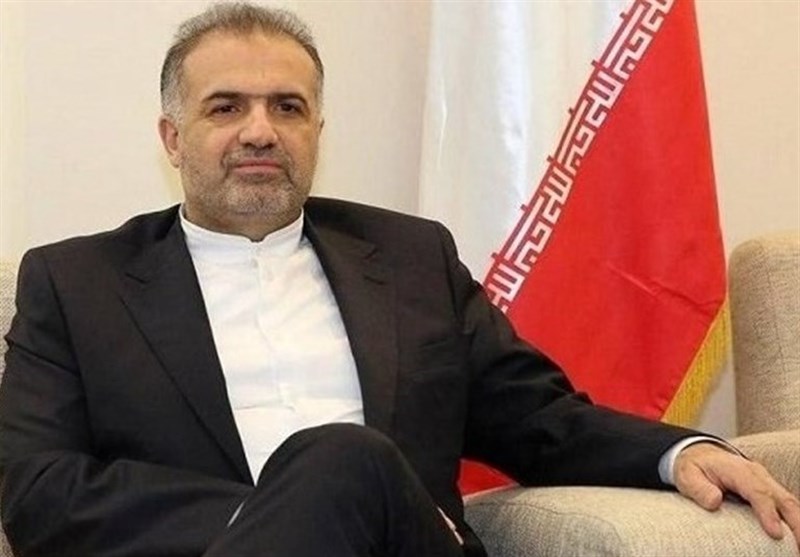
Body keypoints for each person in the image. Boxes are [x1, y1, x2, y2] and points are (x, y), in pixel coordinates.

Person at [0, 3, 797, 556]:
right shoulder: (76, 284)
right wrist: (302, 509)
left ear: (317, 130)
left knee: (346, 459)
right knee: (342, 465)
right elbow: (39, 490)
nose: (260, 131)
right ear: (173, 138)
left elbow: (540, 418)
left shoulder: (411, 259)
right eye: (225, 107)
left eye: (287, 107)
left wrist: (677, 450)